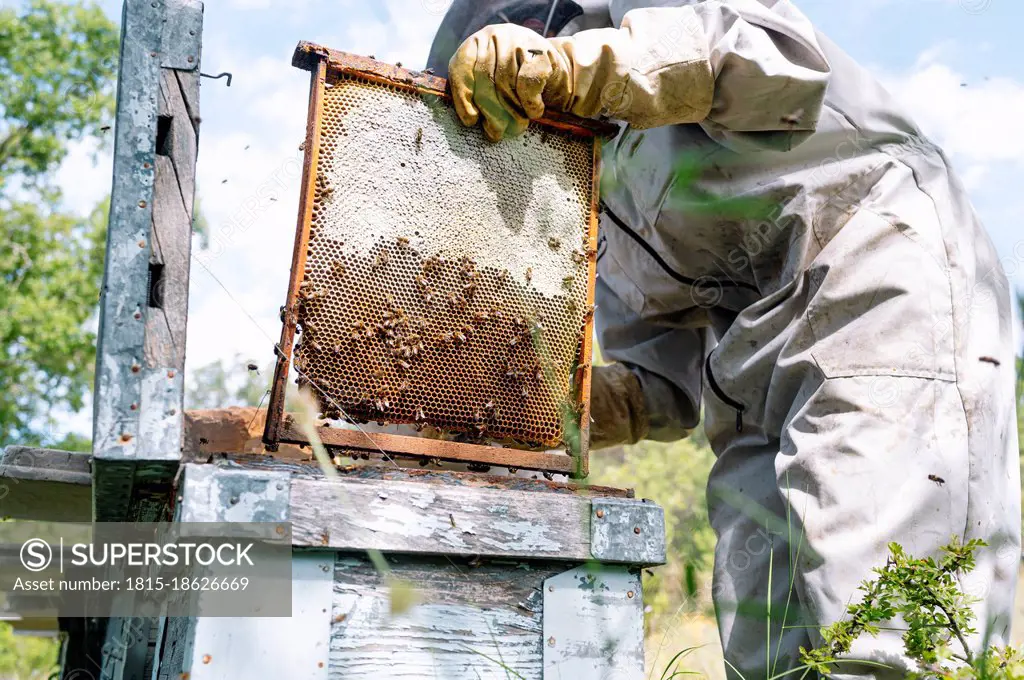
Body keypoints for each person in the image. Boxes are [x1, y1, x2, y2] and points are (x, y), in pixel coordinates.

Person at [427, 1, 1020, 677]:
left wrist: (573, 69)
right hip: (747, 375)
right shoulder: (600, 196)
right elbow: (665, 387)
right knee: (769, 654)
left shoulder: (644, 18)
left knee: (881, 643)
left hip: (875, 287)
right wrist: (524, 405)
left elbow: (776, 60)